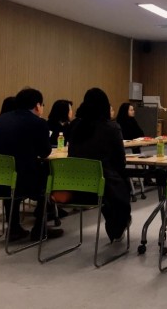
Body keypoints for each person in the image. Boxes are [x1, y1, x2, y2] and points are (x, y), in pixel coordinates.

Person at [0, 88, 63, 241]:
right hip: (16, 182)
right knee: (49, 175)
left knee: (13, 174)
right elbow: (45, 152)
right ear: (37, 105)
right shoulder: (38, 123)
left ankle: (14, 228)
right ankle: (40, 228)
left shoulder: (1, 119)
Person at [67, 88, 131, 243]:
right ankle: (117, 225)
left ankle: (115, 223)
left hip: (74, 186)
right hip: (103, 186)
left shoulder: (75, 127)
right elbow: (120, 161)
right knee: (121, 184)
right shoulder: (111, 128)